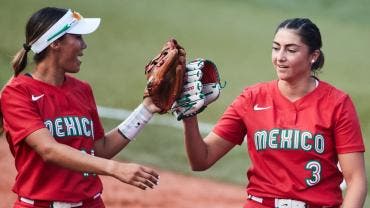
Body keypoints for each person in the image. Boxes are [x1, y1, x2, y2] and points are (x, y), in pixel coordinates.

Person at [180, 18, 367, 208]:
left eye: (291, 50)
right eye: (276, 48)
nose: (280, 57)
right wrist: (189, 116)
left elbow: (356, 181)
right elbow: (201, 160)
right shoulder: (252, 99)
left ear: (314, 56)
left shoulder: (337, 103)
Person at [0, 7, 165, 208]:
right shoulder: (17, 92)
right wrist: (115, 168)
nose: (84, 45)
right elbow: (48, 149)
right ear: (55, 42)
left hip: (90, 204)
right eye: (78, 37)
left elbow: (98, 149)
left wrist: (146, 109)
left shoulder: (82, 89)